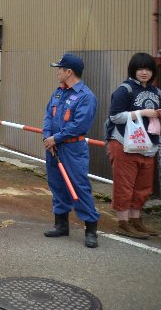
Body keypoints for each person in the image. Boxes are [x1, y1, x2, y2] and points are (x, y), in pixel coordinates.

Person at [42, 53, 100, 248]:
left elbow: (79, 125)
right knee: (57, 184)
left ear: (69, 72)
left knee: (78, 186)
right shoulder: (58, 92)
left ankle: (91, 229)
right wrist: (47, 137)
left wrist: (55, 138)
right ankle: (61, 224)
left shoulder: (86, 96)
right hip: (53, 145)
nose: (57, 72)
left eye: (59, 69)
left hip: (73, 148)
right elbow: (48, 115)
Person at [106, 52, 161, 239]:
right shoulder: (125, 90)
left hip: (149, 146)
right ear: (133, 70)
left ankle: (136, 221)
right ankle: (122, 223)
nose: (144, 72)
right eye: (140, 68)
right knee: (124, 186)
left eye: (148, 68)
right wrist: (143, 112)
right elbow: (115, 116)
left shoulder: (157, 92)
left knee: (143, 187)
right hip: (124, 144)